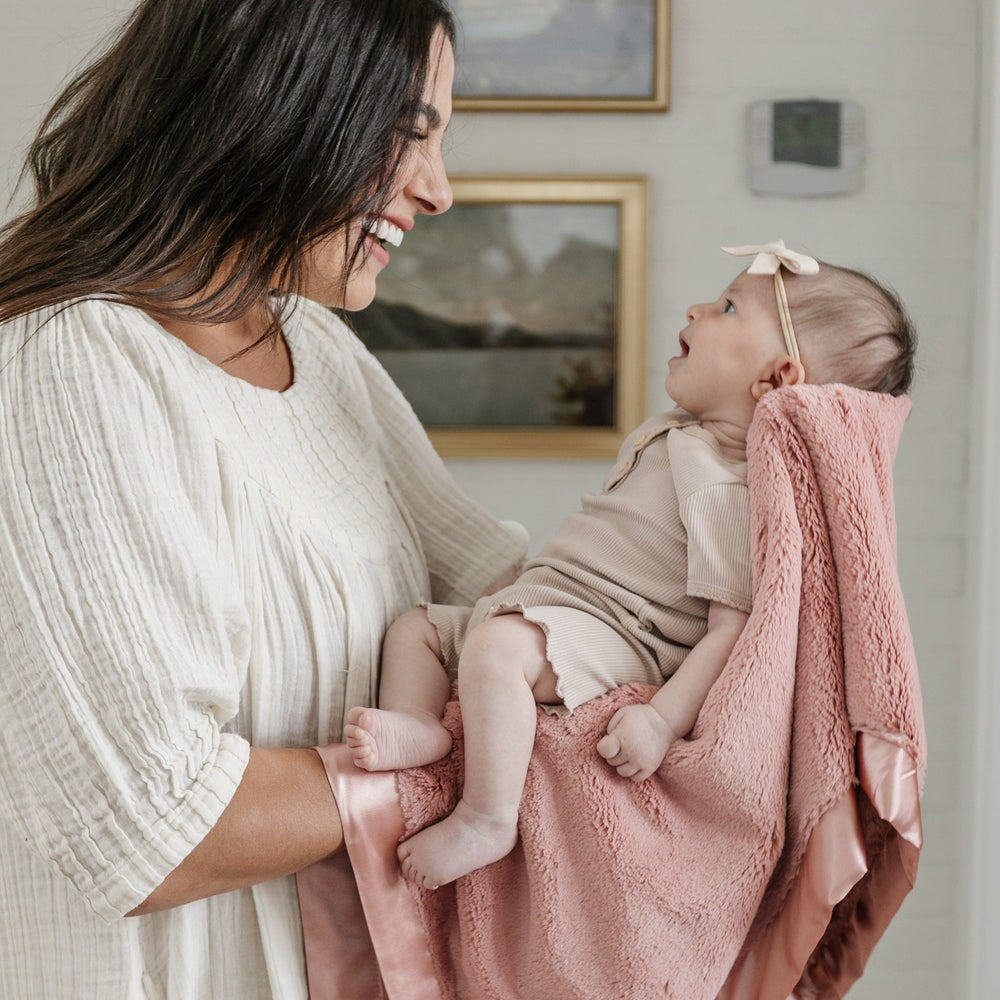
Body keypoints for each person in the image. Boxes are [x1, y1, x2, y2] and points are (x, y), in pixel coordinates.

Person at [0, 2, 528, 997]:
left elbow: (516, 592)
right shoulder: (63, 363)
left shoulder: (316, 349)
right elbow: (155, 827)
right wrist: (462, 767)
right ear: (275, 102)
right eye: (408, 132)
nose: (438, 189)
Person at [345, 240, 917, 890]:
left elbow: (730, 630)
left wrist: (661, 717)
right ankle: (423, 727)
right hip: (567, 605)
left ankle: (487, 817)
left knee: (498, 649)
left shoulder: (728, 486)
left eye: (729, 307)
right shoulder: (679, 436)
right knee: (415, 628)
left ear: (778, 378)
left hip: (626, 634)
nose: (699, 309)